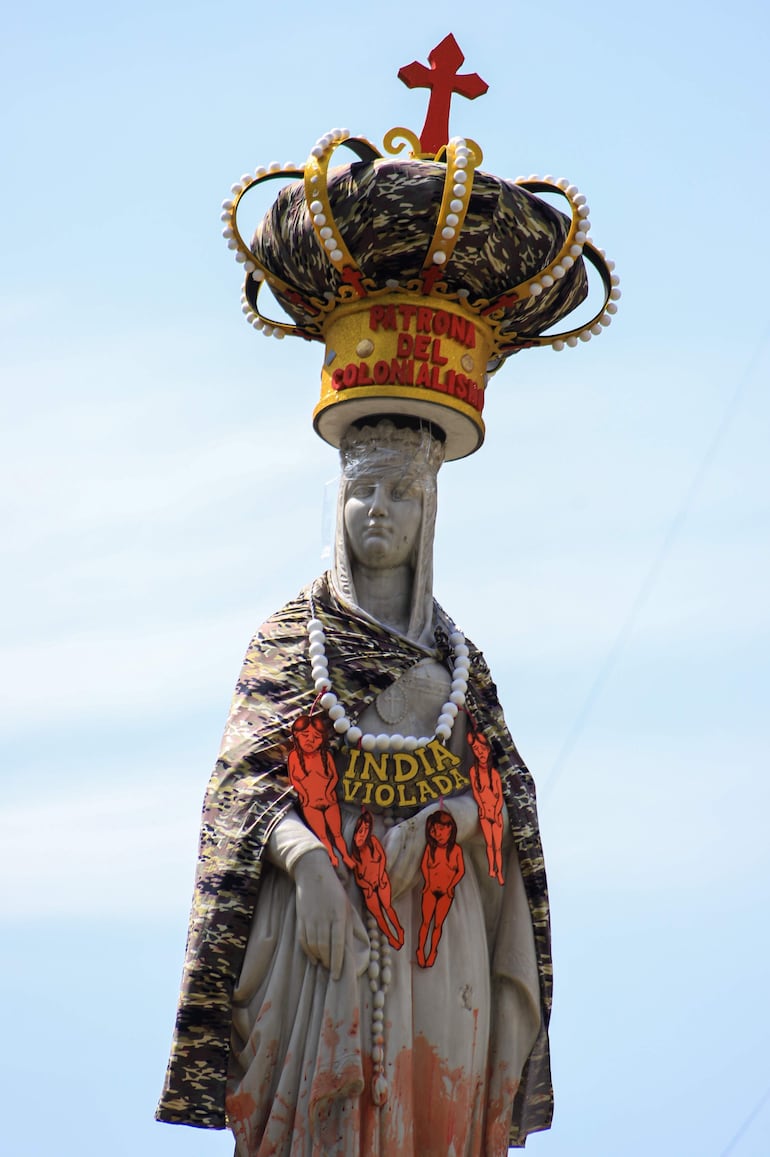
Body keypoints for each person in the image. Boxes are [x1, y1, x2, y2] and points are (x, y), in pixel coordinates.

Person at [157, 418, 553, 1154]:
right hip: (324, 924)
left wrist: (452, 817)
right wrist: (306, 862)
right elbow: (239, 785)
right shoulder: (289, 638)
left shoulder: (460, 658)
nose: (379, 507)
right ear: (337, 500)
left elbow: (511, 794)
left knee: (436, 1108)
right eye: (361, 489)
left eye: (401, 492)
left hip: (438, 921)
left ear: (429, 509)